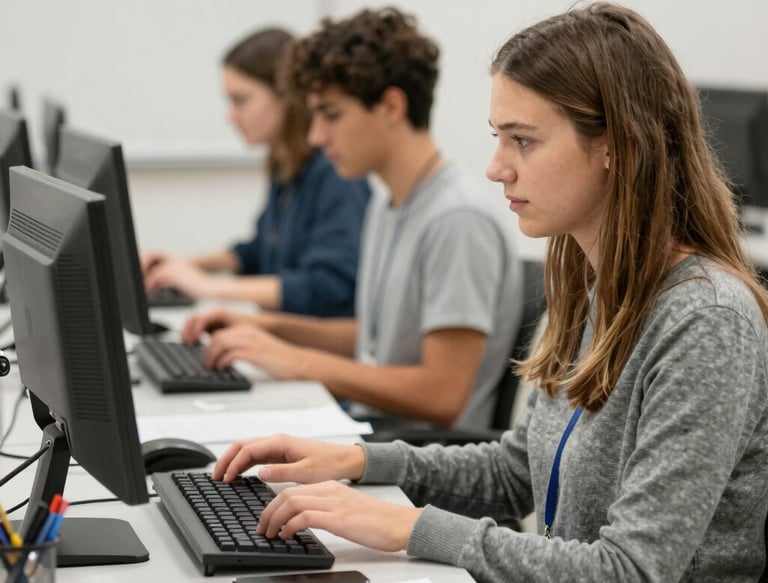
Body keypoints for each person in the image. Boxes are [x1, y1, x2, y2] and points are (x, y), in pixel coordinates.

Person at [207, 3, 768, 581]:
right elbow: (515, 472)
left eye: (523, 141)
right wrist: (356, 460)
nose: (496, 167)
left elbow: (630, 570)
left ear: (616, 147)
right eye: (499, 138)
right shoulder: (592, 286)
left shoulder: (706, 321)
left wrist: (409, 526)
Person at [181, 8, 523, 430]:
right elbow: (374, 342)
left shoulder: (457, 219)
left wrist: (297, 361)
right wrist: (265, 327)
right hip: (370, 431)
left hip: (416, 458)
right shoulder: (388, 202)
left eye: (331, 115)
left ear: (391, 106)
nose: (315, 136)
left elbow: (442, 395)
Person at [142, 28, 371, 317]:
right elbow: (258, 252)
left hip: (316, 348)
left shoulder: (336, 172)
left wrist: (207, 287)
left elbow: (327, 286)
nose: (231, 116)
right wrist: (183, 266)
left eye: (241, 100)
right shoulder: (284, 162)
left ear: (285, 95)